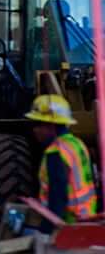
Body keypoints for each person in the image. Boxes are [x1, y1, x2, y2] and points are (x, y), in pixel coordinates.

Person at [26, 94, 97, 230]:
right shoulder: (77, 144)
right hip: (87, 217)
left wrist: (46, 230)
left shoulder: (56, 152)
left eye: (37, 124)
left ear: (51, 126)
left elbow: (58, 195)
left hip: (68, 223)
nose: (34, 130)